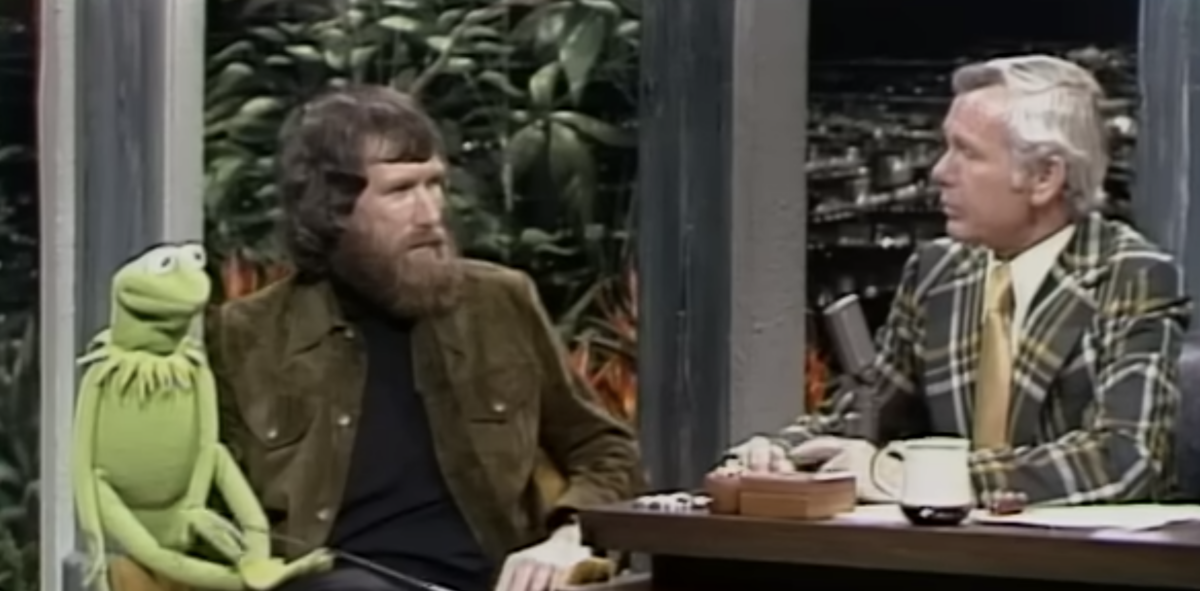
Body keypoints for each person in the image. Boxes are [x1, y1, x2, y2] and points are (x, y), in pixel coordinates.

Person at [205, 85, 640, 591]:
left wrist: (570, 535)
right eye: (400, 191)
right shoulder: (245, 338)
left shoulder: (500, 303)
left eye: (435, 184)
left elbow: (605, 447)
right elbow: (206, 513)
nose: (431, 213)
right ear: (331, 210)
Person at [724, 55, 1191, 506]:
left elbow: (1126, 460)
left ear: (1044, 177)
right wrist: (779, 454)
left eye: (967, 152)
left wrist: (913, 476)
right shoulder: (937, 272)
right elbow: (861, 420)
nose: (939, 172)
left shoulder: (1132, 276)